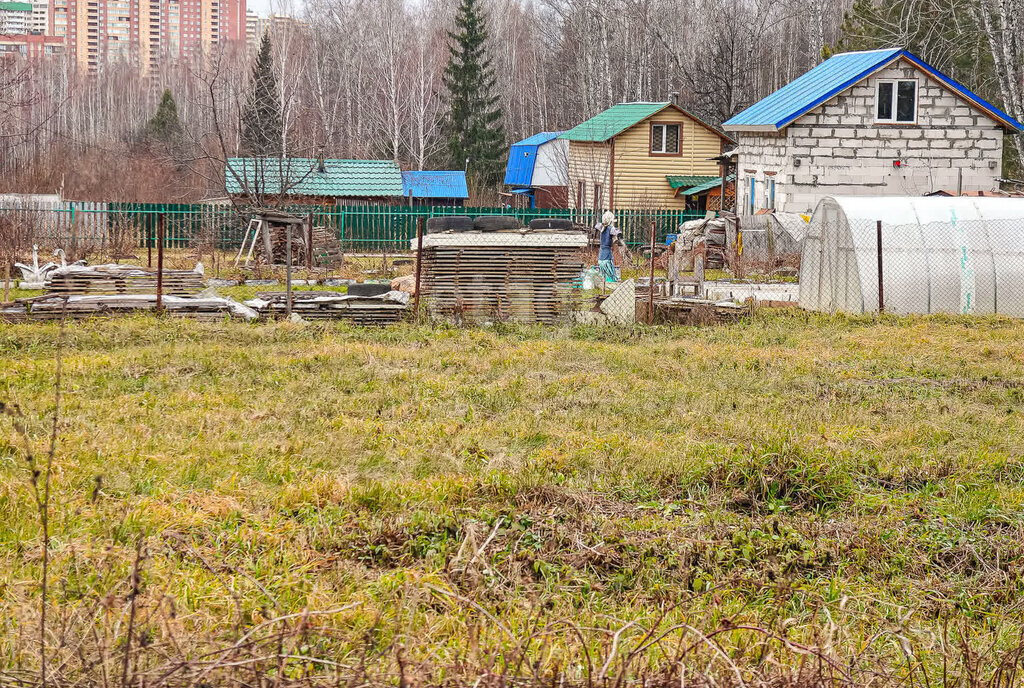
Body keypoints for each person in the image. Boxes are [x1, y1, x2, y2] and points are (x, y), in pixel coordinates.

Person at [596, 210, 621, 283]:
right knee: (609, 267)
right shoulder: (610, 228)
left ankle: (604, 282)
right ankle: (610, 281)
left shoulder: (601, 227)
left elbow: (596, 225)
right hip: (607, 252)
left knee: (602, 267)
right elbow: (617, 232)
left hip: (601, 252)